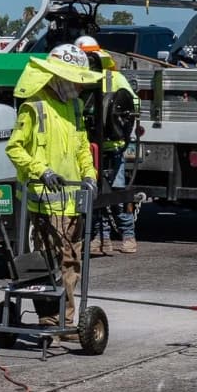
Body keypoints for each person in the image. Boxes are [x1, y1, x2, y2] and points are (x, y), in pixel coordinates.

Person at [5, 44, 100, 327]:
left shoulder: (74, 106)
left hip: (73, 199)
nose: (80, 87)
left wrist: (90, 176)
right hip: (47, 202)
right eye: (75, 80)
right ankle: (52, 318)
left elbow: (82, 146)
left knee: (71, 261)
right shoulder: (34, 107)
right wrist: (42, 171)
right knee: (48, 262)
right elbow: (15, 148)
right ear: (59, 77)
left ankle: (65, 319)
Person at [76, 35, 140, 257]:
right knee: (96, 193)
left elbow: (132, 105)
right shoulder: (81, 82)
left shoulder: (113, 79)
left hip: (112, 146)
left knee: (117, 192)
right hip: (94, 146)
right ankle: (100, 238)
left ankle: (127, 236)